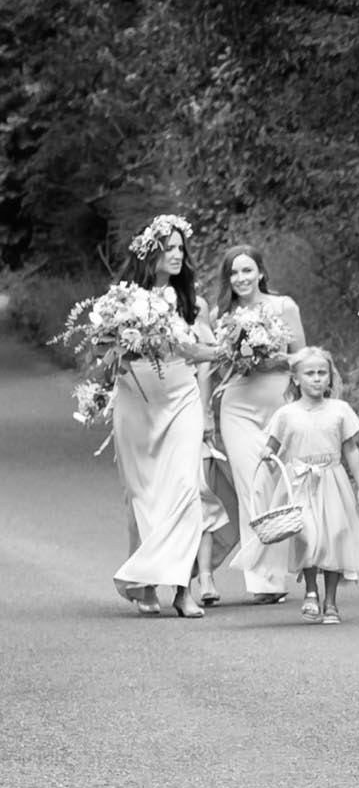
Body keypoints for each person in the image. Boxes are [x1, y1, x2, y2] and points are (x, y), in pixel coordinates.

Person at [108, 213, 225, 618]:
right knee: (143, 494)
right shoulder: (122, 300)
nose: (177, 255)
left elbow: (194, 351)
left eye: (180, 248)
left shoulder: (190, 300)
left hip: (180, 397)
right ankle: (144, 583)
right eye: (169, 248)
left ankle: (182, 589)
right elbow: (105, 355)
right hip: (136, 398)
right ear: (149, 253)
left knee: (186, 488)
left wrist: (230, 350)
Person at [206, 244, 306, 604]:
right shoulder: (223, 314)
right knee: (253, 486)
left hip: (278, 403)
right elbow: (216, 364)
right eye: (233, 273)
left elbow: (302, 358)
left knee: (279, 485)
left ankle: (285, 568)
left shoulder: (283, 306)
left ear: (261, 273)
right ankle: (264, 582)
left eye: (247, 271)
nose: (241, 279)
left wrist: (271, 356)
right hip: (238, 407)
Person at [258, 348, 359, 624]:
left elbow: (351, 449)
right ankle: (311, 590)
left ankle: (330, 602)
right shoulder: (286, 414)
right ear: (296, 379)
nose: (317, 379)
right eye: (310, 374)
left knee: (333, 538)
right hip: (300, 481)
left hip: (332, 479)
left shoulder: (339, 410)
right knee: (308, 534)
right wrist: (267, 455)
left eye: (322, 373)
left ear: (330, 378)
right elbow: (272, 447)